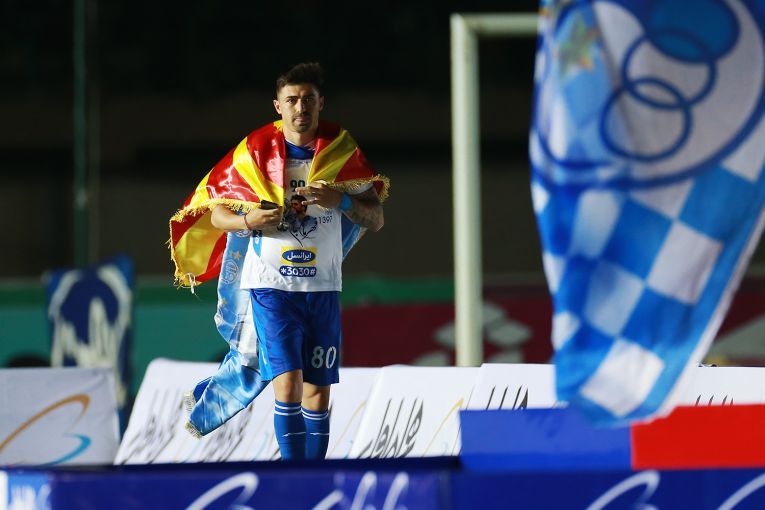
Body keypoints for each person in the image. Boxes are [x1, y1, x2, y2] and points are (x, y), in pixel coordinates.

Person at [169, 62, 388, 460]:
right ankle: (291, 476)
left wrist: (340, 200)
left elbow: (375, 219)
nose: (300, 108)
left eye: (308, 100)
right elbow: (216, 214)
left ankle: (314, 478)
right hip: (271, 288)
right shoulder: (254, 153)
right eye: (292, 100)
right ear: (278, 106)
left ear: (320, 103)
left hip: (322, 288)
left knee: (318, 393)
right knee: (287, 384)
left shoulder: (342, 153)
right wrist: (248, 220)